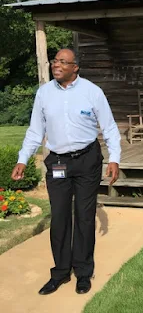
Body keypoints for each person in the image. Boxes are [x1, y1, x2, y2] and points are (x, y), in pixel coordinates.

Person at [11, 48, 121, 295]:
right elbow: (35, 131)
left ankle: (83, 273)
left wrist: (114, 158)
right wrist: (22, 159)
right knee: (60, 217)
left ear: (75, 68)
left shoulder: (92, 92)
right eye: (54, 61)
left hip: (87, 161)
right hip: (58, 162)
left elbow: (110, 127)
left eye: (62, 62)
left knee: (84, 216)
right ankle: (60, 273)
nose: (56, 65)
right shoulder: (44, 93)